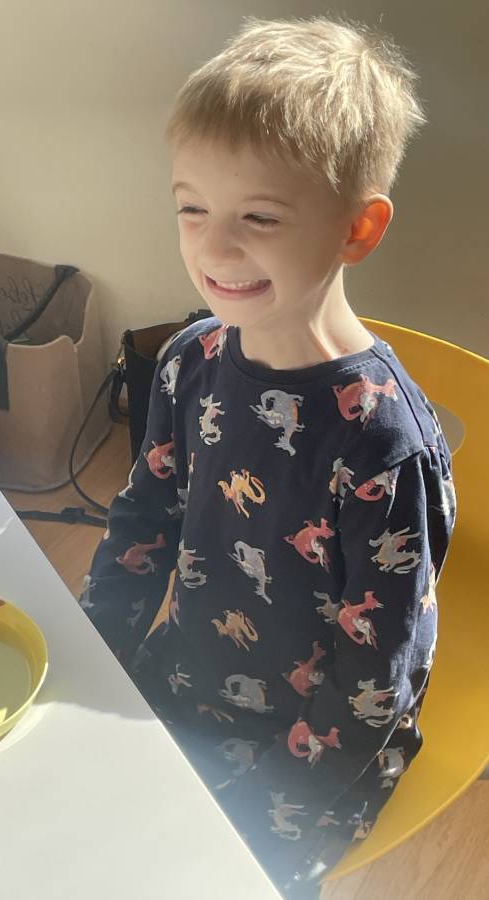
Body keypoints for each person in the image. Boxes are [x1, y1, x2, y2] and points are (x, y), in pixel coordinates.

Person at [79, 14, 457, 898]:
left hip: (313, 746)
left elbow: (377, 671)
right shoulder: (190, 360)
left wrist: (275, 798)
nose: (213, 247)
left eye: (258, 216)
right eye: (192, 208)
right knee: (65, 818)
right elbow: (144, 521)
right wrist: (94, 656)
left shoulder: (383, 445)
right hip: (185, 677)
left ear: (356, 229)